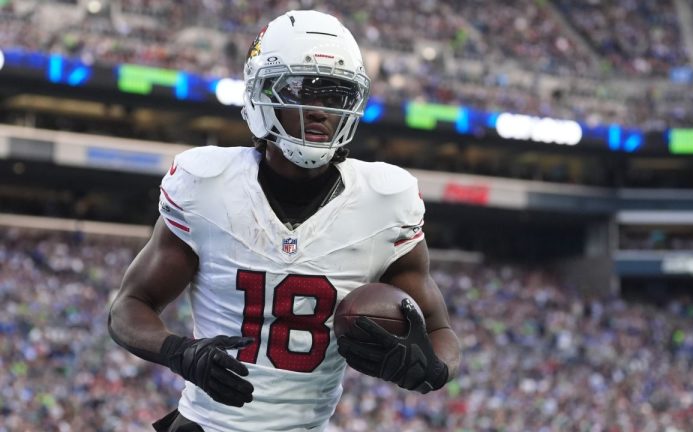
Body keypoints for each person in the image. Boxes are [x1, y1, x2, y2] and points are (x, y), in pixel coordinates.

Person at [108, 9, 461, 432]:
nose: (320, 111)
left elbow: (440, 330)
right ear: (261, 93)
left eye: (336, 96)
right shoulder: (207, 185)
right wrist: (179, 352)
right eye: (303, 90)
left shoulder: (385, 202)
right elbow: (129, 306)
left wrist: (432, 369)